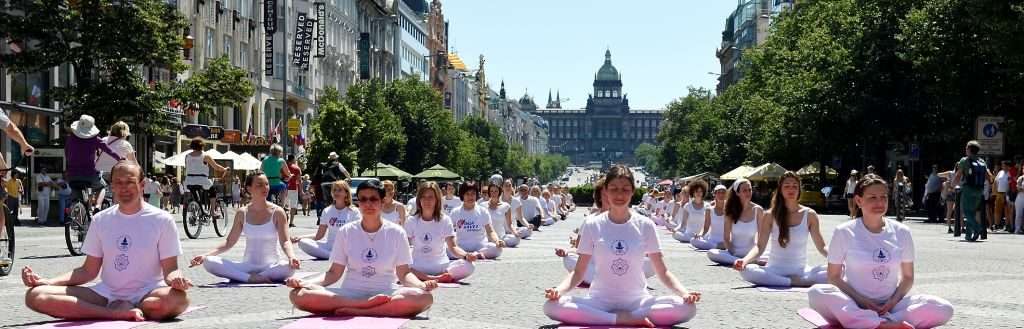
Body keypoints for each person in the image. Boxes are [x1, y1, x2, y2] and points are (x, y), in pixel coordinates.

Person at [22, 161, 191, 321]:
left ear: (142, 184)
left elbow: (171, 270)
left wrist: (177, 280)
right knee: (35, 296)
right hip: (106, 294)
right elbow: (88, 271)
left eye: (130, 182)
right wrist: (48, 281)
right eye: (118, 182)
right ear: (112, 186)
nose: (124, 188)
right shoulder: (100, 219)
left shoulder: (162, 220)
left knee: (177, 300)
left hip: (149, 292)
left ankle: (130, 307)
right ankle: (115, 313)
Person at [544, 165, 699, 327]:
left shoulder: (645, 224)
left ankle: (610, 317)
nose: (619, 194)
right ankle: (620, 319)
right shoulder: (592, 224)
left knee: (687, 308)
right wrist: (559, 291)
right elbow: (579, 271)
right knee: (551, 306)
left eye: (625, 189)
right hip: (600, 300)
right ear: (606, 191)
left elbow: (663, 271)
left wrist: (685, 293)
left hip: (638, 301)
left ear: (633, 191)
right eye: (614, 189)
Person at [808, 175, 954, 329]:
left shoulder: (902, 232)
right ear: (858, 201)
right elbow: (834, 277)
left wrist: (893, 301)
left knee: (943, 308)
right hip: (853, 302)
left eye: (883, 197)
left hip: (890, 306)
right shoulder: (844, 231)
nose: (879, 202)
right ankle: (883, 324)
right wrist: (862, 301)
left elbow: (908, 277)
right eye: (872, 198)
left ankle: (872, 322)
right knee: (816, 293)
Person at [286, 180, 436, 317]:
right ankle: (360, 305)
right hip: (350, 293)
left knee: (425, 297)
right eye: (363, 199)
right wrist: (305, 283)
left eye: (373, 199)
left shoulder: (397, 232)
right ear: (358, 203)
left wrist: (421, 285)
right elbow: (333, 274)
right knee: (297, 295)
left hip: (385, 292)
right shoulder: (346, 231)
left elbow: (404, 274)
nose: (368, 204)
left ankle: (363, 310)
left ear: (383, 201)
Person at [191, 173, 300, 283]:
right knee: (209, 261)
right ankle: (249, 278)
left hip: (271, 267)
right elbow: (229, 242)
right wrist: (205, 255)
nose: (265, 188)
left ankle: (251, 276)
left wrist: (291, 256)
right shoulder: (242, 213)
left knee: (288, 267)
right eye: (259, 185)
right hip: (247, 267)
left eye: (266, 184)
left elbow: (285, 241)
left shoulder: (278, 212)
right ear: (249, 188)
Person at [734, 172, 829, 287]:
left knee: (836, 271)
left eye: (795, 186)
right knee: (747, 270)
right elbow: (759, 247)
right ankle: (793, 282)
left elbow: (822, 247)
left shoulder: (809, 214)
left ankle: (796, 281)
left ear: (799, 190)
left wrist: (840, 260)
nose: (791, 189)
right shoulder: (770, 215)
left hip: (801, 272)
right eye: (787, 186)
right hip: (774, 271)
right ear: (780, 189)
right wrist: (744, 260)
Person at [404, 181, 475, 283]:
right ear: (419, 200)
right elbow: (404, 247)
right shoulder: (411, 221)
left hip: (440, 266)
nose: (427, 200)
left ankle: (429, 277)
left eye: (431, 197)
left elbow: (453, 247)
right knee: (397, 265)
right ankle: (433, 278)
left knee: (469, 266)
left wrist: (466, 255)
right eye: (423, 197)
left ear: (437, 199)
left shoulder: (445, 220)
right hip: (417, 266)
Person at [65, 115, 124, 213]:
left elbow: (67, 153)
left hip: (73, 174)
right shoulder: (95, 139)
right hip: (90, 174)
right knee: (101, 187)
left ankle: (74, 207)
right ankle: (97, 206)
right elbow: (109, 150)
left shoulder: (70, 138)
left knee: (76, 191)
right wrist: (120, 158)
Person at [293, 180, 361, 260]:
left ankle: (337, 256)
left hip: (347, 247)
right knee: (303, 242)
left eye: (339, 190)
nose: (336, 193)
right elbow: (319, 236)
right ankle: (334, 256)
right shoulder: (327, 211)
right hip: (329, 247)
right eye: (334, 190)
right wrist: (299, 238)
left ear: (346, 193)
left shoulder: (354, 211)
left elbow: (359, 234)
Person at [708, 179, 765, 266]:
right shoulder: (730, 210)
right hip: (733, 253)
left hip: (751, 253)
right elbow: (726, 238)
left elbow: (761, 239)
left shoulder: (758, 210)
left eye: (750, 190)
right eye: (744, 190)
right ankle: (742, 261)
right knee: (712, 253)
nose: (748, 193)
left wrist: (756, 253)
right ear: (737, 193)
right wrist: (732, 251)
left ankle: (746, 261)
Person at [448, 182, 505, 260]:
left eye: (473, 194)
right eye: (467, 194)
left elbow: (490, 231)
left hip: (481, 247)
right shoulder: (455, 212)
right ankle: (466, 255)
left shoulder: (483, 211)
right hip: (461, 247)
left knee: (497, 249)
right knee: (446, 250)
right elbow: (449, 232)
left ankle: (474, 255)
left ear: (476, 195)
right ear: (462, 195)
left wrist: (497, 241)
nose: (470, 197)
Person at [952, 141, 991, 242]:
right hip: (979, 190)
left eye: (966, 148)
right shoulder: (982, 161)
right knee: (972, 212)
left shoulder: (964, 160)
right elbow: (989, 177)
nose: (965, 149)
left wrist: (953, 185)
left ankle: (978, 228)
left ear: (969, 150)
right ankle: (969, 235)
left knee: (966, 212)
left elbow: (958, 175)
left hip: (968, 189)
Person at [182, 138, 228, 220]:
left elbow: (187, 168)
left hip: (188, 180)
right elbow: (216, 167)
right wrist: (224, 169)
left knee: (195, 193)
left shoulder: (187, 156)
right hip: (202, 180)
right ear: (202, 146)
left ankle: (197, 210)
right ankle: (212, 212)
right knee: (212, 191)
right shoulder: (205, 156)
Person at [95, 121, 137, 205]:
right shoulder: (126, 144)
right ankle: (115, 208)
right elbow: (134, 163)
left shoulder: (103, 139)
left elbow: (96, 155)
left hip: (100, 172)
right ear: (125, 133)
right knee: (118, 194)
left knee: (99, 190)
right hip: (116, 174)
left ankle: (97, 206)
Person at [691, 184, 728, 250]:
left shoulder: (730, 209)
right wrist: (700, 235)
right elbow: (705, 228)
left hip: (725, 241)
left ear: (726, 195)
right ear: (715, 194)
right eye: (719, 192)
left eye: (723, 193)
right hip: (711, 240)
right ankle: (716, 246)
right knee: (693, 240)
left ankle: (718, 247)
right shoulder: (709, 210)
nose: (721, 195)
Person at [485, 183, 520, 248]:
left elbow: (510, 224)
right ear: (489, 192)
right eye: (491, 191)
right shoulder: (482, 205)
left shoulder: (506, 206)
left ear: (499, 192)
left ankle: (500, 243)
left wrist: (515, 232)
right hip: (486, 236)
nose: (493, 193)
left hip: (501, 236)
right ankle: (494, 243)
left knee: (516, 239)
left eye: (496, 191)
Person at [285, 155, 302, 227]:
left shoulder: (283, 166)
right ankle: (291, 222)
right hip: (294, 188)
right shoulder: (297, 168)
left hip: (285, 188)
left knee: (285, 205)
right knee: (293, 206)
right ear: (293, 159)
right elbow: (299, 180)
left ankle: (285, 220)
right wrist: (301, 191)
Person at [994, 160, 1011, 232]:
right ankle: (997, 225)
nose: (1002, 166)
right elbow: (996, 181)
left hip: (1006, 193)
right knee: (997, 210)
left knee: (1007, 210)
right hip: (999, 193)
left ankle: (1008, 225)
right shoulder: (1000, 172)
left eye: (1003, 165)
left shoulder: (1010, 173)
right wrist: (995, 191)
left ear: (1007, 166)